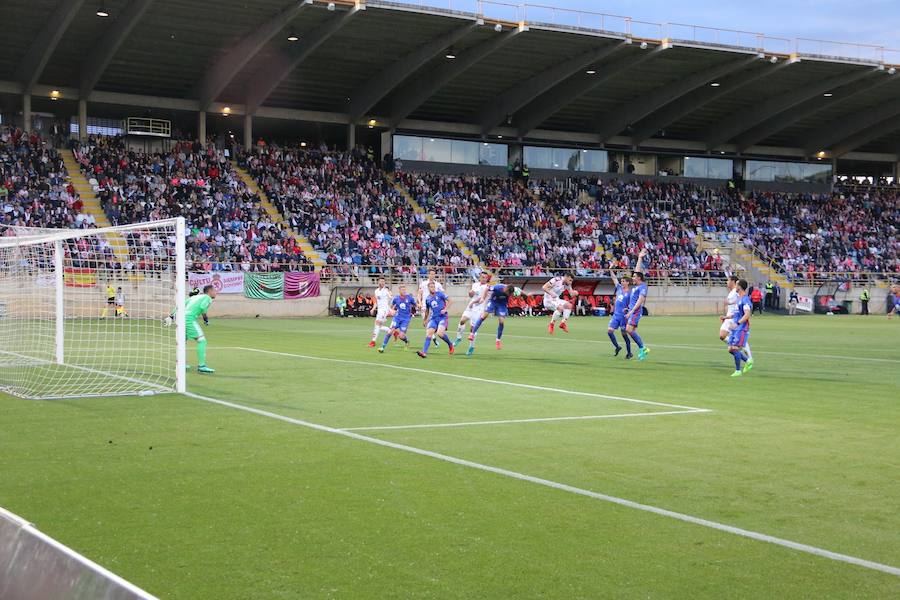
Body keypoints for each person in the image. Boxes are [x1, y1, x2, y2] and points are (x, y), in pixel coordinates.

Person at [468, 283, 522, 352]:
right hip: (493, 301)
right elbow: (487, 288)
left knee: (501, 321)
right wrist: (483, 298)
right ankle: (472, 334)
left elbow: (520, 291)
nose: (509, 295)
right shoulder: (498, 287)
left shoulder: (512, 290)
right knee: (484, 316)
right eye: (509, 293)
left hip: (502, 304)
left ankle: (498, 340)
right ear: (506, 289)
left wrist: (527, 295)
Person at [416, 281, 454, 358]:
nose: (433, 288)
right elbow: (427, 310)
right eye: (431, 287)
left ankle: (450, 344)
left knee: (440, 333)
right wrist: (425, 320)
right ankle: (424, 352)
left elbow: (450, 300)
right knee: (429, 333)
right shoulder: (428, 299)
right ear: (428, 288)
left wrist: (445, 309)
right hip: (433, 319)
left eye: (434, 287)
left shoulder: (440, 294)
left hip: (442, 317)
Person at [625, 248, 650, 361]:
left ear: (639, 278)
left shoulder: (642, 287)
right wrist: (639, 258)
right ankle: (642, 348)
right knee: (630, 330)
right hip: (632, 310)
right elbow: (637, 270)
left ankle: (643, 348)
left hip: (635, 311)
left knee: (629, 330)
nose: (632, 278)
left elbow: (640, 301)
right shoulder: (637, 286)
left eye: (634, 277)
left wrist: (631, 311)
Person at [454, 271, 491, 349]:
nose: (484, 279)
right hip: (471, 306)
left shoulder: (487, 287)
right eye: (482, 277)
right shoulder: (475, 284)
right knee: (462, 320)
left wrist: (473, 302)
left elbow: (482, 299)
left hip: (479, 308)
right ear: (479, 277)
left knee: (472, 328)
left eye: (485, 278)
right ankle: (459, 337)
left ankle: (471, 346)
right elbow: (471, 295)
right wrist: (470, 292)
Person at [186, 284, 217, 374]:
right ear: (209, 291)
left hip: (180, 318)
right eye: (214, 290)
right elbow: (203, 307)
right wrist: (206, 319)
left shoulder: (194, 298)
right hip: (189, 318)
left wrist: (171, 316)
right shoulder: (207, 298)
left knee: (183, 341)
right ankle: (202, 366)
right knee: (202, 340)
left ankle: (182, 364)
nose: (216, 292)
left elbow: (181, 306)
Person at [378, 284, 416, 353]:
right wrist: (391, 311)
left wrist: (419, 307)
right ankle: (382, 347)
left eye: (405, 290)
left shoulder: (410, 298)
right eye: (402, 290)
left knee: (401, 336)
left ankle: (407, 341)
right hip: (397, 318)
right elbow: (391, 306)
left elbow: (415, 305)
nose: (404, 291)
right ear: (399, 291)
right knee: (390, 332)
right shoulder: (396, 298)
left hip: (406, 319)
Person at [727, 279, 753, 377]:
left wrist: (737, 323)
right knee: (730, 349)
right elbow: (736, 314)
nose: (735, 287)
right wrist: (726, 318)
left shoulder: (745, 299)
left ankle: (738, 371)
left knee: (734, 348)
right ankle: (748, 361)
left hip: (741, 328)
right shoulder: (739, 299)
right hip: (735, 328)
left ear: (740, 287)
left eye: (737, 285)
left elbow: (747, 315)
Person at [607, 268, 633, 358]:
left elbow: (632, 306)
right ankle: (617, 347)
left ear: (628, 283)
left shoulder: (630, 294)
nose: (621, 282)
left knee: (624, 335)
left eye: (623, 281)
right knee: (610, 331)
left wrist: (628, 309)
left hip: (623, 317)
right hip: (616, 315)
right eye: (621, 281)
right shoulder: (619, 288)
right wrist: (610, 270)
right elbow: (614, 278)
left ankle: (629, 352)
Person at [418, 269, 444, 345]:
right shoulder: (423, 283)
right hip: (424, 306)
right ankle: (433, 339)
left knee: (434, 323)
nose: (432, 275)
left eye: (433, 274)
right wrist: (419, 302)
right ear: (428, 275)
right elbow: (419, 293)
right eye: (431, 274)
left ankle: (433, 335)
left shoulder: (438, 285)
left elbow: (442, 293)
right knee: (427, 322)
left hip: (435, 307)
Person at [368, 277, 392, 348]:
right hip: (379, 310)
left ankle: (373, 342)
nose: (382, 283)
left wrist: (390, 295)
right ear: (378, 282)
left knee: (377, 324)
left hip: (384, 310)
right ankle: (393, 331)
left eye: (383, 281)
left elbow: (390, 297)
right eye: (381, 281)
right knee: (379, 326)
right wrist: (373, 309)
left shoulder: (386, 290)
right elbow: (376, 302)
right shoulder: (376, 291)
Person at [719, 275, 739, 342]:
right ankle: (737, 344)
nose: (727, 282)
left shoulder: (736, 291)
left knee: (724, 336)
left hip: (734, 317)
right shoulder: (731, 292)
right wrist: (725, 317)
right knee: (722, 336)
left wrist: (730, 302)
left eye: (728, 280)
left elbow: (741, 301)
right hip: (729, 317)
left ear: (733, 281)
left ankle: (740, 345)